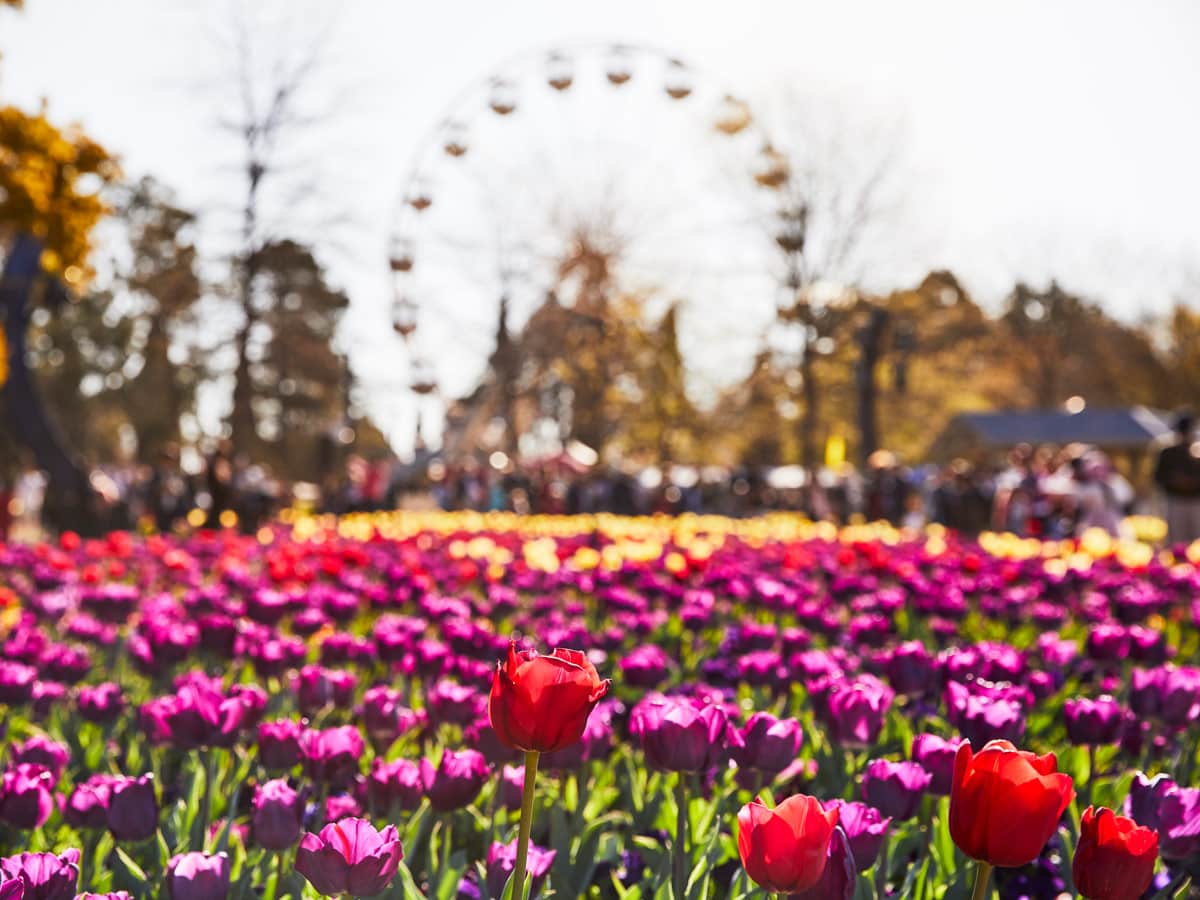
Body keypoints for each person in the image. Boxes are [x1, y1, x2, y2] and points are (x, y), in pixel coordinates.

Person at [1153, 413, 1200, 546]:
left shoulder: (1197, 451)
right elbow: (1159, 477)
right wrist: (1175, 480)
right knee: (1177, 540)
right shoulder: (1168, 452)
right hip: (1175, 500)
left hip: (1196, 501)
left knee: (1197, 539)